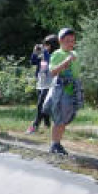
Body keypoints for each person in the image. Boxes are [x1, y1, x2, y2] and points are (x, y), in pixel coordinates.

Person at [46, 27, 83, 155]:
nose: (70, 43)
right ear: (60, 41)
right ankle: (54, 144)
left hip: (72, 91)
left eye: (73, 41)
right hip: (60, 91)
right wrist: (66, 61)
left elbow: (76, 73)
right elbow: (52, 72)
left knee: (66, 119)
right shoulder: (57, 54)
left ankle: (58, 143)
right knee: (58, 119)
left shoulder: (75, 54)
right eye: (67, 41)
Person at [27, 35, 56, 133]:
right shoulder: (43, 53)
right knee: (44, 105)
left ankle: (35, 125)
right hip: (41, 82)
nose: (44, 46)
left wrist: (44, 52)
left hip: (50, 83)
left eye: (47, 44)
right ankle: (47, 124)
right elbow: (33, 62)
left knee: (41, 104)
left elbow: (49, 62)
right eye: (44, 44)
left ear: (52, 45)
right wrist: (35, 52)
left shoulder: (55, 54)